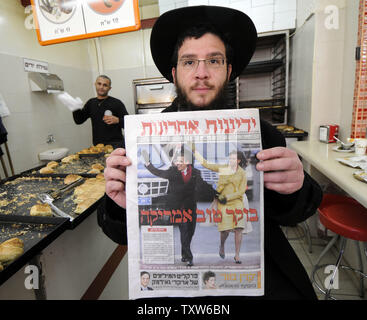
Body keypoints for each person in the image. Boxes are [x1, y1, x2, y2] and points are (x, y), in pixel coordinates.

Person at [101, 5, 323, 299]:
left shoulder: (262, 133)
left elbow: (293, 213)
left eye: (214, 61)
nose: (202, 74)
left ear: (229, 70)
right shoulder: (140, 138)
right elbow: (119, 233)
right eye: (189, 62)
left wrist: (297, 186)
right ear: (174, 73)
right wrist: (118, 205)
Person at [141, 148, 217, 267]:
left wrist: (217, 193)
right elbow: (158, 172)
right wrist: (148, 163)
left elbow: (204, 186)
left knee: (190, 232)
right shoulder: (172, 171)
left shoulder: (196, 173)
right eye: (177, 161)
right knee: (185, 231)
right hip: (178, 207)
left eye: (180, 161)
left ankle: (184, 254)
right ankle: (189, 258)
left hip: (191, 207)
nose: (177, 163)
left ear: (187, 162)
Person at [192, 148, 248, 264]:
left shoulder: (242, 173)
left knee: (239, 228)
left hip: (236, 201)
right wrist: (194, 151)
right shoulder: (223, 168)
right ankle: (222, 245)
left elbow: (242, 190)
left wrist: (228, 197)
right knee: (225, 230)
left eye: (233, 159)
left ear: (238, 160)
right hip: (223, 203)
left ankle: (237, 255)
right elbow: (206, 164)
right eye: (230, 158)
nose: (230, 160)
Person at [57, 75, 128, 149]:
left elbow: (129, 124)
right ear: (95, 84)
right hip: (98, 146)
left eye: (105, 85)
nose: (101, 87)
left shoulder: (117, 103)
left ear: (109, 88)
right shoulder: (91, 103)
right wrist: (75, 108)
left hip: (116, 145)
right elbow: (79, 120)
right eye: (99, 84)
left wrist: (118, 120)